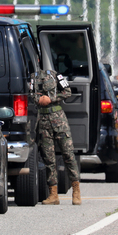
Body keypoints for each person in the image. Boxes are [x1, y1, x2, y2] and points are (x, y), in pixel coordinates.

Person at [30, 69, 81, 205]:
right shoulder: (33, 78)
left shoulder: (55, 75)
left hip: (59, 121)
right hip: (43, 122)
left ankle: (76, 190)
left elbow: (67, 91)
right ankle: (53, 194)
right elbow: (30, 94)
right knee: (49, 159)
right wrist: (38, 99)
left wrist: (51, 99)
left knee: (68, 155)